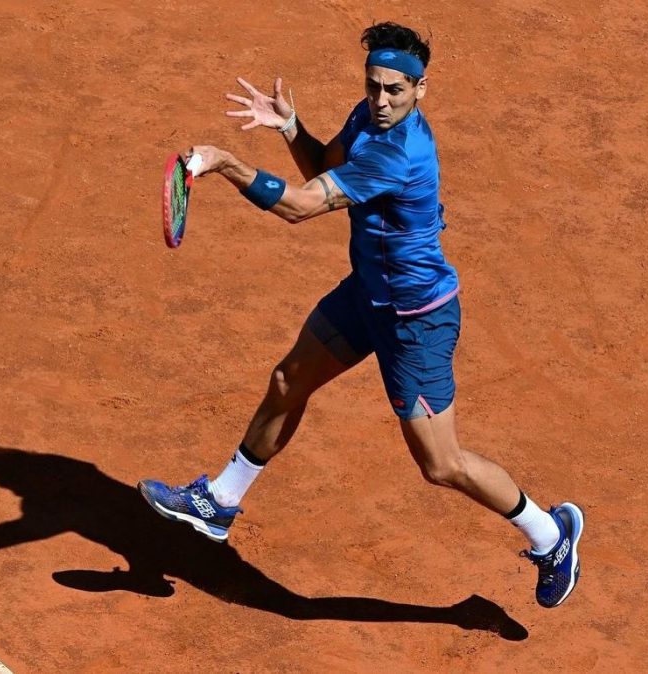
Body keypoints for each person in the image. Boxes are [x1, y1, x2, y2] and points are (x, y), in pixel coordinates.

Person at [138, 22, 584, 609]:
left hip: (414, 320)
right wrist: (291, 129)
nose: (379, 101)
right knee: (287, 380)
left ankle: (550, 535)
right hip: (366, 295)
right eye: (373, 86)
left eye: (395, 91)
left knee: (441, 464)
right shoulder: (366, 116)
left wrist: (224, 162)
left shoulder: (401, 154)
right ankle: (219, 502)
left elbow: (299, 208)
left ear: (421, 89)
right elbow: (320, 167)